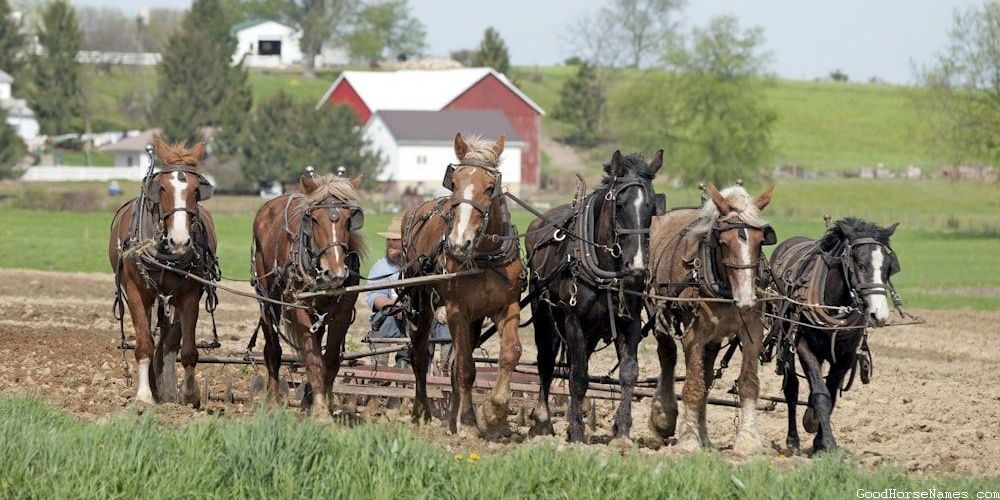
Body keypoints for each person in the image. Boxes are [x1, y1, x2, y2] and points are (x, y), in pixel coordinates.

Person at [366, 217, 451, 369]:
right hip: (396, 316)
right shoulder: (381, 267)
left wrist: (443, 307)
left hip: (425, 315)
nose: (391, 243)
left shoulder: (426, 266)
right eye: (389, 239)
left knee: (446, 322)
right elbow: (375, 298)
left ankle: (447, 368)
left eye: (395, 239)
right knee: (383, 319)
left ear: (406, 242)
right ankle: (380, 370)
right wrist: (395, 305)